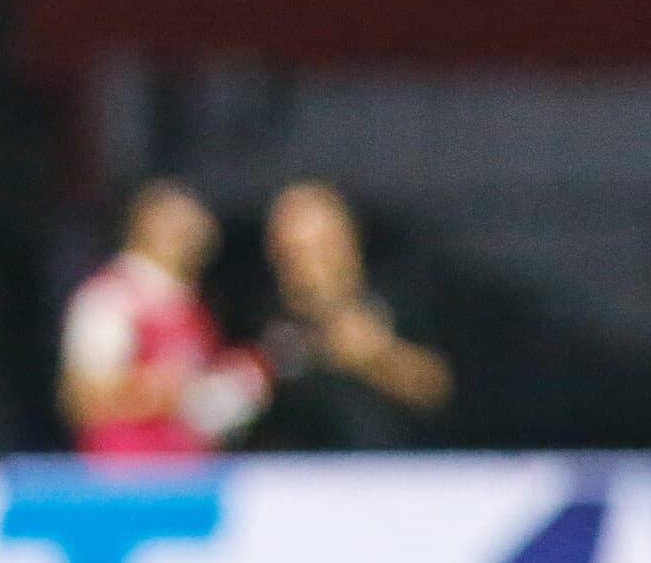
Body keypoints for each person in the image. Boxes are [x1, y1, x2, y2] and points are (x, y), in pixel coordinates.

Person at [59, 179, 266, 457]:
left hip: (187, 468)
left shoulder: (191, 306)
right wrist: (170, 391)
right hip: (127, 470)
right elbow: (82, 398)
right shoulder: (113, 298)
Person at [254, 180, 450, 449]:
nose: (306, 263)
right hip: (293, 478)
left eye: (320, 247)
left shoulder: (396, 299)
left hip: (388, 472)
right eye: (292, 250)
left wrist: (379, 355)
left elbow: (439, 392)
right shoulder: (258, 317)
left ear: (348, 239)